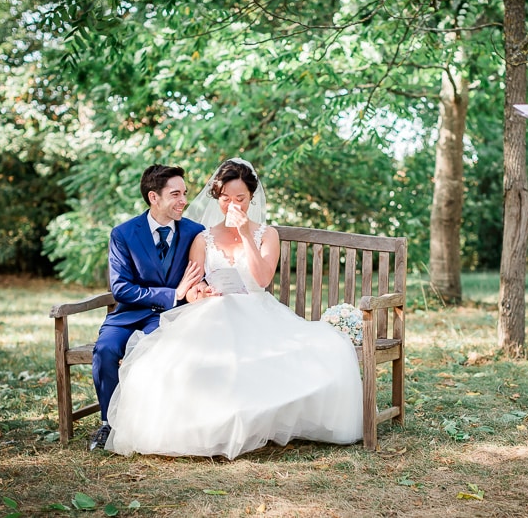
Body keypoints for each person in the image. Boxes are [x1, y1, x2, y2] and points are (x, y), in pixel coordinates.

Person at [103, 158, 363, 459]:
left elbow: (263, 278)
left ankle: (250, 422)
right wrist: (200, 291)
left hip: (256, 310)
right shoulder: (203, 237)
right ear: (218, 198)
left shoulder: (267, 234)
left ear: (251, 198)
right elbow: (195, 284)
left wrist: (245, 236)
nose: (232, 205)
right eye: (226, 198)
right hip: (213, 310)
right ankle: (198, 424)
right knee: (181, 361)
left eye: (240, 198)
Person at [89, 165, 205, 451]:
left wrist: (194, 292)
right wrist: (172, 293)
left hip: (170, 316)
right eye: (175, 194)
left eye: (185, 193)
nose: (183, 200)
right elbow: (121, 288)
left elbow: (203, 275)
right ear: (154, 197)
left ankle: (148, 425)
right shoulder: (124, 234)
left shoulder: (195, 232)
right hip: (127, 314)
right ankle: (108, 423)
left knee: (153, 351)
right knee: (105, 351)